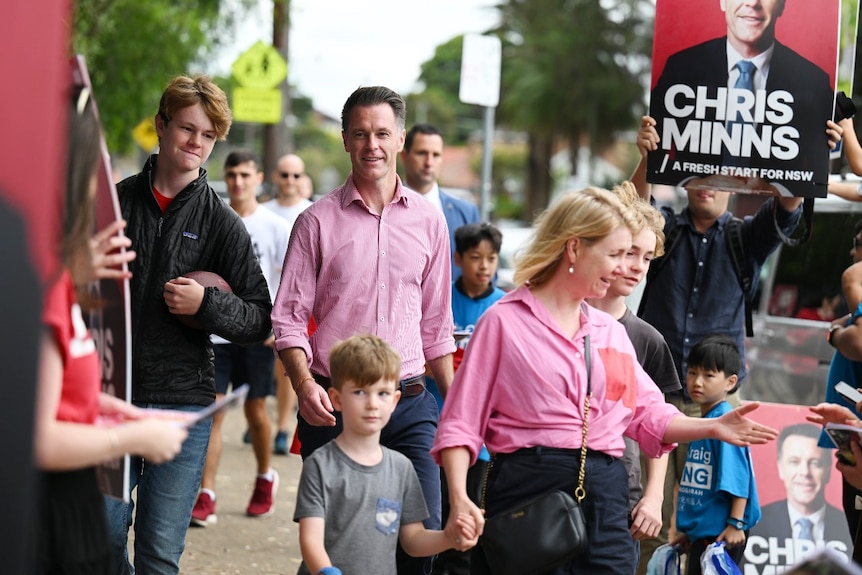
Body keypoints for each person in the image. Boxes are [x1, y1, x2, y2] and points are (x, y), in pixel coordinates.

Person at [432, 186, 779, 575]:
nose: (621, 268)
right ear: (574, 248)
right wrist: (460, 497)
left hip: (607, 493)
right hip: (527, 491)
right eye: (614, 254)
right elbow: (462, 422)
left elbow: (650, 414)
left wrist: (712, 426)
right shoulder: (503, 321)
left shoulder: (609, 332)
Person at [631, 110, 842, 571]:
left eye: (720, 173)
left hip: (719, 407)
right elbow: (629, 211)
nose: (709, 181)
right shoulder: (660, 232)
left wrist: (808, 156)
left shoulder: (744, 239)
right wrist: (646, 157)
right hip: (655, 397)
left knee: (715, 518)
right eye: (700, 171)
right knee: (647, 514)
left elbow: (787, 207)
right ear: (684, 179)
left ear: (735, 186)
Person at [272, 86, 455, 575]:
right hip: (333, 406)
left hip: (411, 402)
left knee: (420, 545)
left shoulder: (430, 223)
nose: (371, 144)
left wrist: (457, 407)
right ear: (345, 141)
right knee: (334, 550)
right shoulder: (315, 222)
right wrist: (305, 385)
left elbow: (438, 326)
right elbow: (287, 318)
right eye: (359, 134)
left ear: (399, 139)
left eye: (381, 133)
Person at [104, 75, 273, 574]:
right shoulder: (113, 203)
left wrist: (207, 306)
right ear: (160, 125)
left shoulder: (223, 223)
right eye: (186, 129)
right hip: (110, 398)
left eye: (207, 135)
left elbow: (259, 315)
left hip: (182, 404)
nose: (196, 143)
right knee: (101, 538)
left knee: (159, 553)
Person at [33, 83, 189, 574]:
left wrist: (114, 409)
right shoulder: (39, 288)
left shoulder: (60, 284)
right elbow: (36, 437)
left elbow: (58, 393)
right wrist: (131, 441)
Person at [294, 334, 477, 575]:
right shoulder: (320, 465)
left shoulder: (401, 468)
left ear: (395, 400)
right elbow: (311, 540)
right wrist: (327, 571)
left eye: (382, 393)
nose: (372, 403)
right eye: (360, 392)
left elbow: (413, 541)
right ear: (336, 399)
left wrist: (449, 537)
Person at [190, 150, 291, 527]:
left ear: (258, 177)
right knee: (214, 413)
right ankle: (206, 493)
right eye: (231, 174)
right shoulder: (212, 220)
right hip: (217, 333)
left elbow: (290, 279)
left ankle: (265, 477)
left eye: (245, 175)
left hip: (256, 334)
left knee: (255, 413)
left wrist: (275, 325)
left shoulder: (276, 226)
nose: (237, 182)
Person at [647, 0, 835, 195]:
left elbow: (814, 176)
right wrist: (695, 182)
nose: (753, 3)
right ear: (722, 2)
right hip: (695, 206)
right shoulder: (681, 67)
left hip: (770, 214)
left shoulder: (814, 81)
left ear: (782, 5)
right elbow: (655, 160)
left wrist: (773, 189)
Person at [585, 184, 681, 564]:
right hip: (554, 486)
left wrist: (654, 496)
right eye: (629, 253)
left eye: (647, 257)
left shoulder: (647, 338)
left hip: (619, 493)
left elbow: (662, 426)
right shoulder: (554, 318)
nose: (638, 266)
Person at [433, 222, 506, 575]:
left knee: (471, 506)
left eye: (491, 258)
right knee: (436, 504)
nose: (484, 266)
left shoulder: (504, 307)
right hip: (434, 421)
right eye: (475, 257)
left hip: (480, 437)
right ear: (458, 259)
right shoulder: (439, 298)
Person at [673, 335, 760, 575]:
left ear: (730, 382)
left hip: (724, 534)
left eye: (708, 376)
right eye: (692, 373)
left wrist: (736, 524)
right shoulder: (706, 422)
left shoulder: (725, 423)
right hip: (705, 535)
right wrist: (691, 532)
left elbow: (739, 480)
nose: (697, 382)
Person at [262, 153, 313, 454]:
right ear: (275, 176)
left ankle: (282, 426)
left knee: (287, 365)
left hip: (297, 305)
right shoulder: (265, 212)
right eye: (285, 175)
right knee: (263, 369)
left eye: (296, 175)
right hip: (263, 300)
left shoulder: (312, 212)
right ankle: (264, 423)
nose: (290, 181)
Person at [750, 423, 852, 561]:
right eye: (794, 462)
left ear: (828, 470)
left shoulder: (850, 527)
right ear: (780, 467)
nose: (805, 472)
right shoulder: (755, 525)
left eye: (815, 463)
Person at [400, 123, 480, 279]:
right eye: (422, 153)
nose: (429, 162)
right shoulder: (383, 207)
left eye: (436, 155)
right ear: (404, 156)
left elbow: (484, 278)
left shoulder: (466, 213)